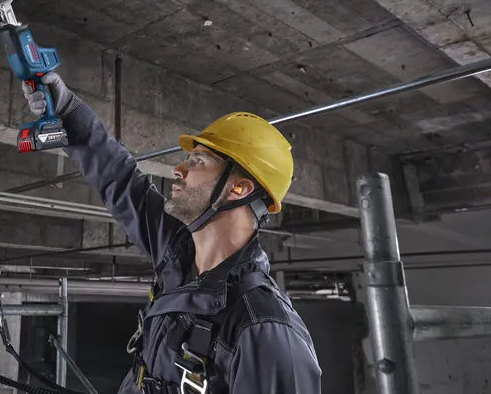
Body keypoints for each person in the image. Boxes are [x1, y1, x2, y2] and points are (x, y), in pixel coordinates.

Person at [23, 73, 321, 394]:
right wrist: (67, 110)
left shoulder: (263, 329)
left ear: (239, 188)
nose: (178, 170)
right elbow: (121, 180)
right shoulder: (178, 251)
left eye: (198, 160)